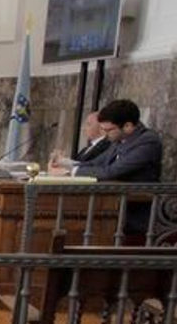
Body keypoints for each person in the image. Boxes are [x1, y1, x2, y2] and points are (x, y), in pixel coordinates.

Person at [49, 98, 163, 239]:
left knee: (72, 220)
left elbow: (111, 172)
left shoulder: (148, 141)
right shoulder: (119, 138)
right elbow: (95, 163)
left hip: (135, 212)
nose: (105, 134)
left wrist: (70, 173)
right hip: (113, 204)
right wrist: (64, 165)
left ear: (127, 126)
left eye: (108, 130)